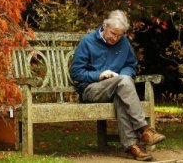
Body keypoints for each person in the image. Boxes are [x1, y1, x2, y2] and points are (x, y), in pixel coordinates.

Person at [69, 10, 166, 161]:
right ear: (104, 26)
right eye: (113, 33)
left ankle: (132, 147)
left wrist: (123, 76)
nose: (115, 38)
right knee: (124, 83)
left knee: (123, 89)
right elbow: (76, 73)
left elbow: (130, 65)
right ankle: (144, 129)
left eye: (119, 35)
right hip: (91, 90)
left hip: (119, 89)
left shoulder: (124, 42)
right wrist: (99, 75)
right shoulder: (87, 42)